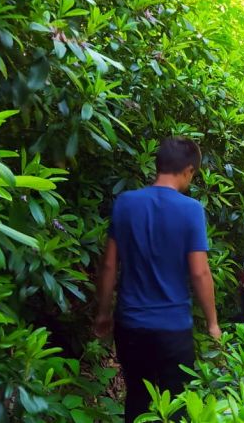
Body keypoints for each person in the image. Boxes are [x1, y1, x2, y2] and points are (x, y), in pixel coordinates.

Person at [94, 138, 221, 423]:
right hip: (173, 329)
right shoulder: (191, 210)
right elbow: (200, 273)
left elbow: (109, 264)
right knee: (175, 406)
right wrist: (212, 323)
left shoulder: (125, 203)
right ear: (188, 170)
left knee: (137, 399)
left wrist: (103, 312)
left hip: (131, 326)